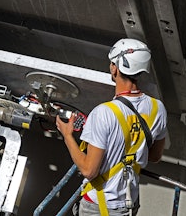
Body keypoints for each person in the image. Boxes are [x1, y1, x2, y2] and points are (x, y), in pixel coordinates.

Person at [56, 39, 168, 216]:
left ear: (115, 68)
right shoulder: (158, 108)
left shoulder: (103, 113)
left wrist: (67, 135)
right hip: (129, 203)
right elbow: (154, 156)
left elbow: (89, 170)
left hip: (99, 206)